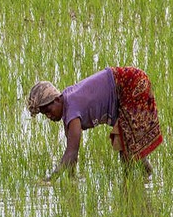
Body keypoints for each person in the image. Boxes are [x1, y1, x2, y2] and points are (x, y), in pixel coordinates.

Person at [27, 66, 163, 181]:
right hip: (127, 81)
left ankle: (133, 183)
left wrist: (50, 180)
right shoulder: (67, 104)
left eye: (49, 110)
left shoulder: (72, 110)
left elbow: (71, 153)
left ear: (57, 100)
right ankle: (144, 177)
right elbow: (72, 153)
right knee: (125, 142)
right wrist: (72, 178)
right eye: (45, 114)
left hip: (131, 82)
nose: (49, 116)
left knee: (126, 143)